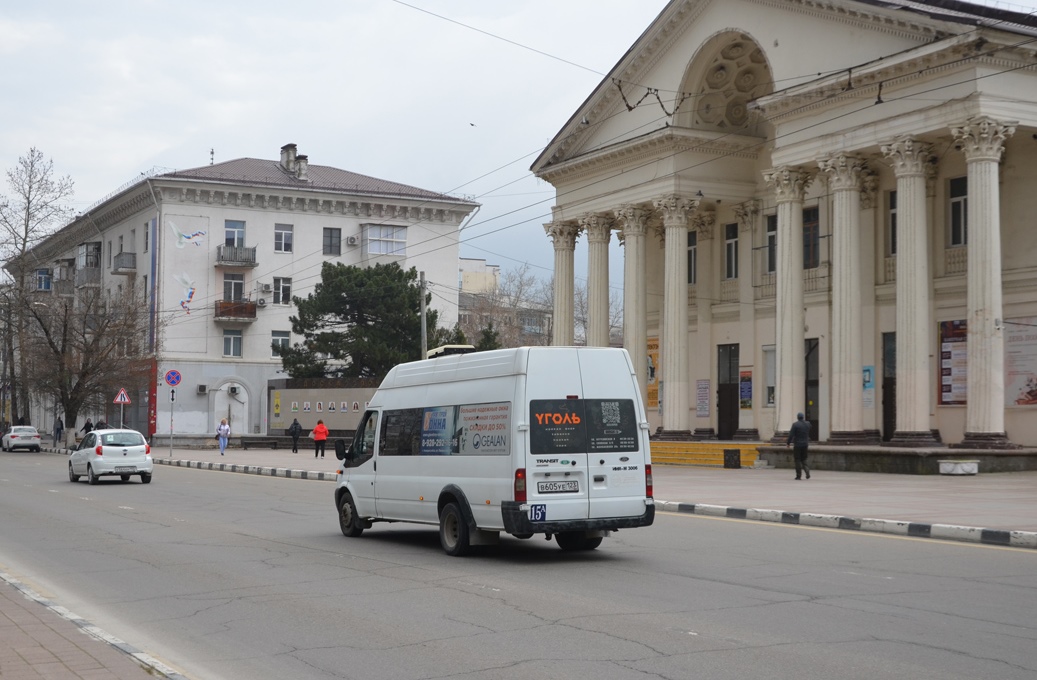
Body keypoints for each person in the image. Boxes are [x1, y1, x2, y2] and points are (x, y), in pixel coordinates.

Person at [786, 412, 812, 480]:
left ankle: (798, 475)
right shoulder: (808, 424)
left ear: (797, 417)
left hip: (797, 444)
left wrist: (788, 443)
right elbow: (809, 429)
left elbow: (791, 435)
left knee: (797, 460)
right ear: (803, 417)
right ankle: (807, 472)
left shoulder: (795, 425)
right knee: (804, 458)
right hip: (805, 444)